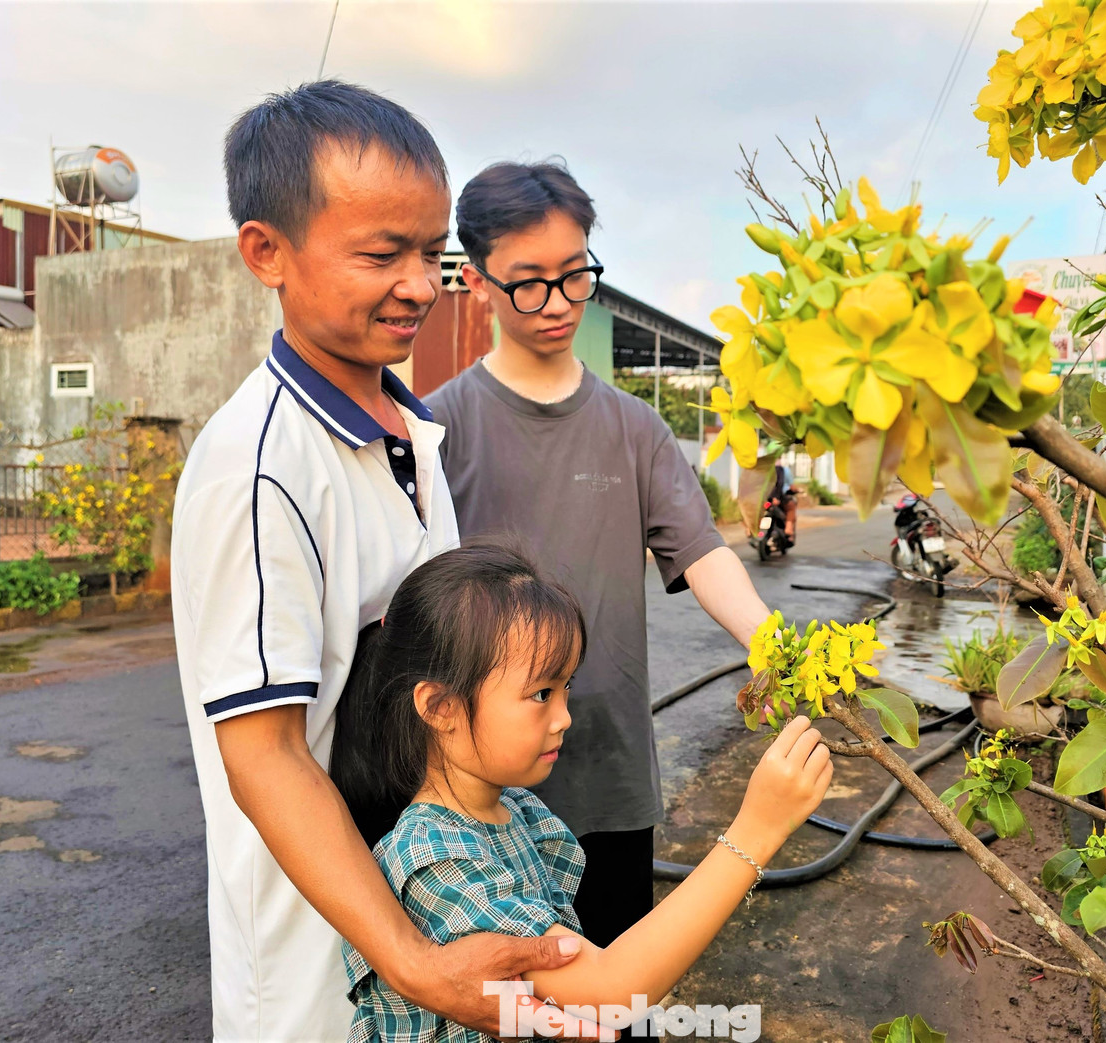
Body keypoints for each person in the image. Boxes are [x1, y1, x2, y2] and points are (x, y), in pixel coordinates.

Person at [171, 82, 578, 1042]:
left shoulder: (410, 431)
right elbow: (265, 755)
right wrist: (418, 966)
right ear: (266, 252)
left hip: (428, 933)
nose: (419, 283)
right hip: (326, 981)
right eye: (379, 253)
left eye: (431, 253)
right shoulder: (263, 468)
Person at [425, 160, 776, 956]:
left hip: (611, 773)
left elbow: (701, 550)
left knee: (620, 996)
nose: (558, 302)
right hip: (481, 792)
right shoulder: (438, 428)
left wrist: (773, 641)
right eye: (528, 283)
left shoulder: (636, 427)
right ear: (478, 282)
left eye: (574, 274)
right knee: (507, 1009)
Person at [329, 541, 832, 1041]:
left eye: (566, 687)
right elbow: (611, 992)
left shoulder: (515, 809)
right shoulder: (434, 859)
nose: (565, 717)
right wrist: (757, 830)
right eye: (541, 694)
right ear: (441, 708)